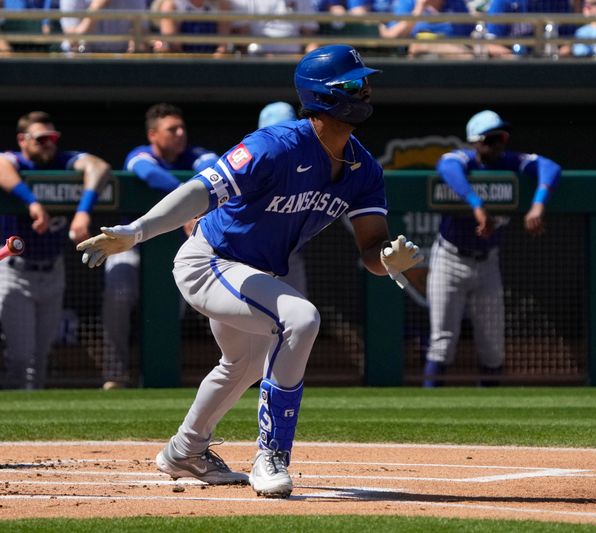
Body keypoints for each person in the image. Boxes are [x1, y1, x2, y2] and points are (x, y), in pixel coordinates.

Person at [77, 44, 422, 498]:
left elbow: (371, 248)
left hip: (255, 276)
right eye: (354, 84)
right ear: (323, 94)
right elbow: (201, 190)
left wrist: (387, 261)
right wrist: (138, 231)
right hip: (210, 262)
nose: (367, 90)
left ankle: (185, 450)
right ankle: (271, 455)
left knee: (242, 365)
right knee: (300, 319)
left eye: (366, 81)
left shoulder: (364, 169)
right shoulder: (275, 145)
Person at [423, 110, 561, 387]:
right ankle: (427, 409)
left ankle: (489, 412)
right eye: (492, 138)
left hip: (487, 262)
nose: (500, 143)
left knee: (492, 345)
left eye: (503, 137)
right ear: (476, 141)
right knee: (442, 341)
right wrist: (476, 204)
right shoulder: (463, 159)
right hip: (450, 259)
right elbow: (446, 165)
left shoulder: (509, 162)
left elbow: (549, 166)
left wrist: (538, 204)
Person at [0, 110, 112, 389]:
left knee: (40, 356)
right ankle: (12, 415)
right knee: (21, 358)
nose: (49, 144)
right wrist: (32, 202)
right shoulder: (14, 160)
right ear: (23, 140)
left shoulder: (64, 161)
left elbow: (99, 167)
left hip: (53, 269)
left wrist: (83, 212)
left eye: (52, 138)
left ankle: (31, 426)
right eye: (41, 139)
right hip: (15, 271)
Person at [100, 103, 218, 390]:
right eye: (171, 129)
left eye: (182, 128)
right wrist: (190, 203)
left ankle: (159, 376)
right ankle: (115, 373)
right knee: (118, 295)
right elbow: (148, 173)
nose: (180, 134)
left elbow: (213, 171)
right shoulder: (139, 155)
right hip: (132, 247)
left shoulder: (198, 155)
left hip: (174, 252)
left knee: (169, 312)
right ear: (153, 134)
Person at [256, 101, 308, 296]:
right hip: (246, 257)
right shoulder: (252, 163)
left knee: (298, 320)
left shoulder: (308, 162)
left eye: (288, 130)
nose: (283, 138)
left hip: (288, 258)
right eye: (276, 132)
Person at [378, 0, 474, 58]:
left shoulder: (456, 3)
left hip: (454, 57)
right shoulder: (408, 2)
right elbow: (392, 36)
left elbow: (468, 35)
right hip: (417, 59)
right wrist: (418, 10)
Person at [229, 0, 319, 55]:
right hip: (257, 60)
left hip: (294, 60)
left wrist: (310, 61)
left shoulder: (303, 1)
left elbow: (310, 37)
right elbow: (242, 38)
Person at [60, 0, 147, 53]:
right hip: (78, 59)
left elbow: (140, 35)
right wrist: (97, 7)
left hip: (119, 59)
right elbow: (73, 40)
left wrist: (134, 47)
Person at [154, 0, 232, 55]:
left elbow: (222, 45)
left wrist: (214, 63)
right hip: (181, 63)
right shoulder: (171, 5)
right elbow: (174, 45)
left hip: (211, 63)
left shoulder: (221, 4)